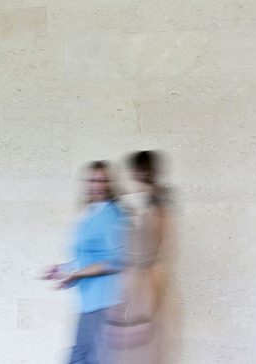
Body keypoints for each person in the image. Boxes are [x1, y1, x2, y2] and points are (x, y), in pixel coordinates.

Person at [45, 161, 128, 364]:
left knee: (82, 359)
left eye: (102, 180)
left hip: (106, 303)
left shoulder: (112, 215)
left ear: (111, 183)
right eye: (92, 180)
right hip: (90, 303)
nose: (97, 185)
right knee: (82, 358)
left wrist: (76, 273)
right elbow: (91, 255)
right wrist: (65, 269)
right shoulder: (92, 211)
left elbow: (117, 260)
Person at [105, 150, 168, 364]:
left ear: (136, 173)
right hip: (143, 288)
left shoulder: (148, 207)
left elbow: (141, 255)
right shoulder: (154, 204)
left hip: (136, 289)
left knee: (135, 350)